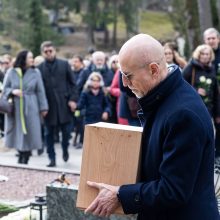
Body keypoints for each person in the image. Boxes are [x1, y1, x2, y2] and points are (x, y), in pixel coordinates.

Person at [84, 34, 220, 219]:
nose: (124, 83)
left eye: (127, 75)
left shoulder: (183, 114)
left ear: (153, 69)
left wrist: (120, 194)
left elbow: (173, 190)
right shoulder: (165, 98)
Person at [2, 50, 48, 164]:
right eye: (30, 58)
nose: (32, 60)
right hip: (15, 108)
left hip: (31, 106)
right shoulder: (11, 72)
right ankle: (20, 155)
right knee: (17, 133)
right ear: (23, 59)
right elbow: (5, 89)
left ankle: (25, 157)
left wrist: (44, 108)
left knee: (31, 132)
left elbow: (40, 91)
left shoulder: (35, 72)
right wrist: (13, 91)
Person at [38, 41, 78, 167]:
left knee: (66, 133)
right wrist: (41, 107)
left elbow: (73, 84)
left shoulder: (64, 64)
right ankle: (52, 158)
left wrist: (73, 99)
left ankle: (65, 149)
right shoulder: (39, 69)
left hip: (64, 105)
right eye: (46, 51)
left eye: (51, 51)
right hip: (48, 107)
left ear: (54, 51)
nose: (49, 53)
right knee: (48, 134)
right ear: (42, 53)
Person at [182, 44, 220, 119]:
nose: (205, 56)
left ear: (210, 56)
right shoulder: (191, 67)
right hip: (193, 107)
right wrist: (195, 90)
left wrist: (218, 114)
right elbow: (181, 84)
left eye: (207, 54)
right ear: (198, 54)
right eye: (202, 54)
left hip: (209, 109)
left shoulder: (212, 68)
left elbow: (216, 92)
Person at [204, 28, 220, 161]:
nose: (211, 41)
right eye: (208, 39)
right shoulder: (202, 56)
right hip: (208, 101)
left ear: (218, 39)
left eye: (213, 38)